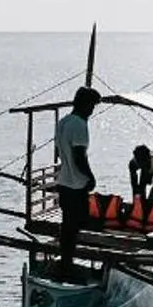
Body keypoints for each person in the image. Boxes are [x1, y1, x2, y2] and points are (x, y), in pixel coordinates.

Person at [54, 85, 99, 270]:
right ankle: (68, 264)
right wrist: (90, 177)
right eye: (91, 106)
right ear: (84, 104)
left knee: (68, 225)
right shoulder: (79, 124)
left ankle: (65, 261)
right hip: (76, 184)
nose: (92, 111)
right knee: (76, 225)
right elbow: (79, 156)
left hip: (63, 182)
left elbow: (59, 152)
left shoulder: (63, 121)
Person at [128, 140, 153, 209]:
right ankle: (136, 206)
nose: (141, 164)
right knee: (136, 188)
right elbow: (134, 184)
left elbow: (150, 183)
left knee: (143, 185)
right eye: (139, 162)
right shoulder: (132, 163)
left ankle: (144, 205)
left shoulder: (150, 162)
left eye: (142, 163)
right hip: (137, 166)